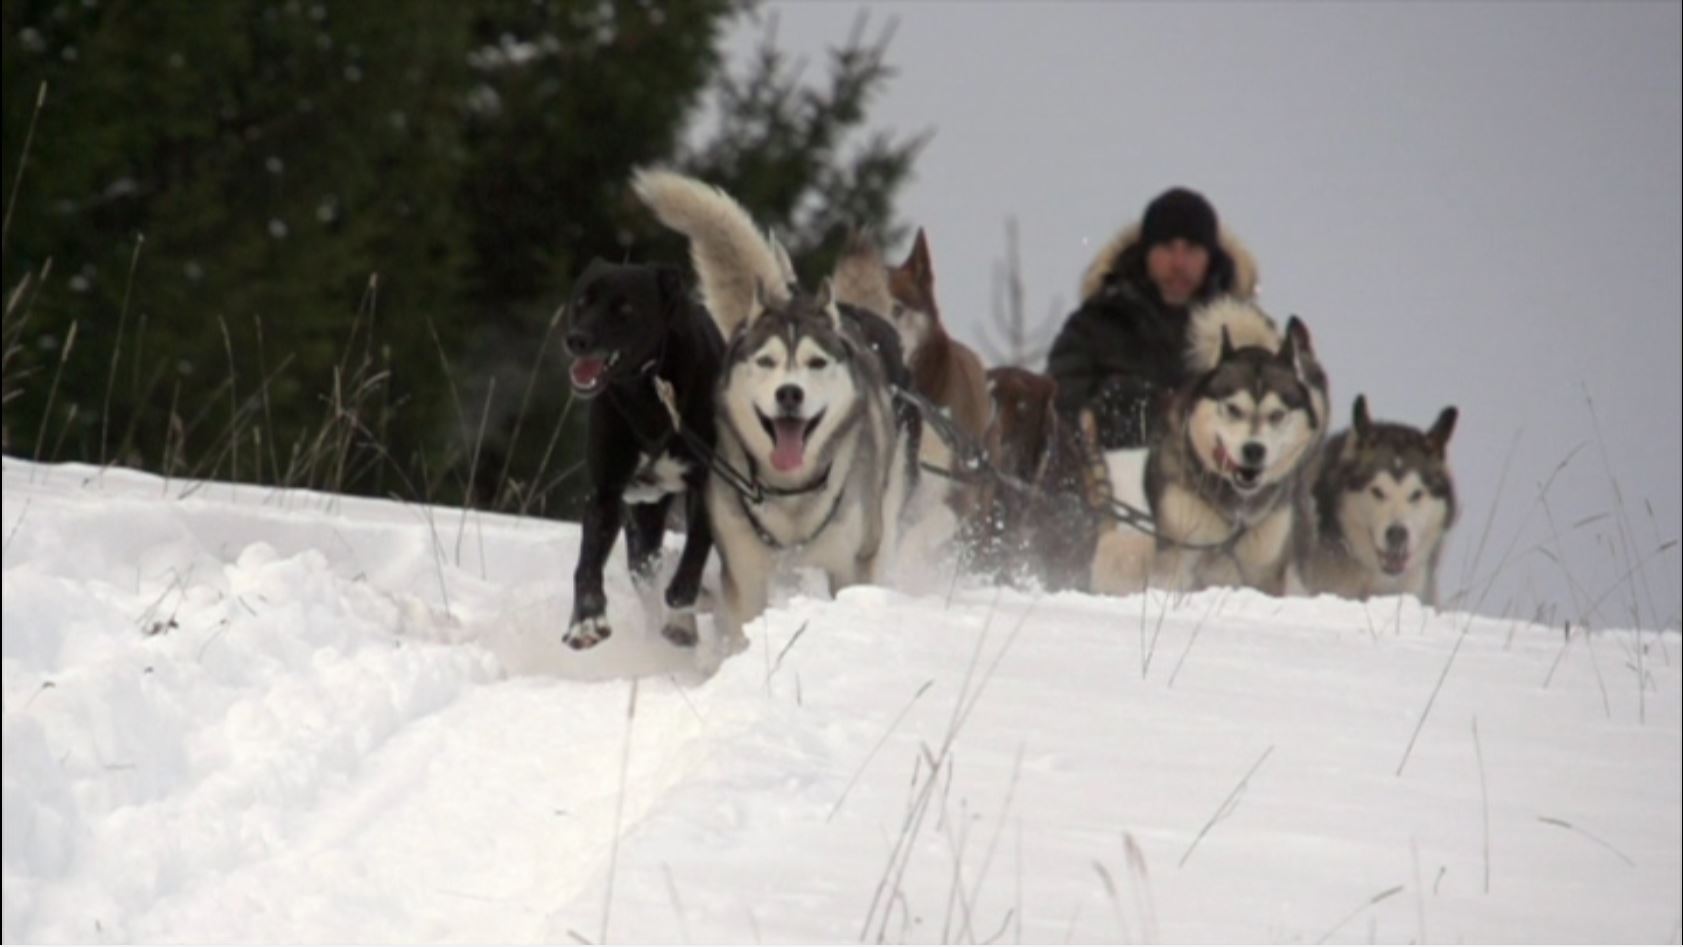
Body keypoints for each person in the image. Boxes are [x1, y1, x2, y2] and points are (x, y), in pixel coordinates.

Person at [1045, 187, 1257, 449]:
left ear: (1210, 257)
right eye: (1168, 247)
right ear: (1146, 252)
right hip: (1107, 477)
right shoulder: (1095, 324)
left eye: (1191, 248)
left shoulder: (1246, 335)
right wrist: (1119, 408)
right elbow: (1060, 401)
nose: (1179, 262)